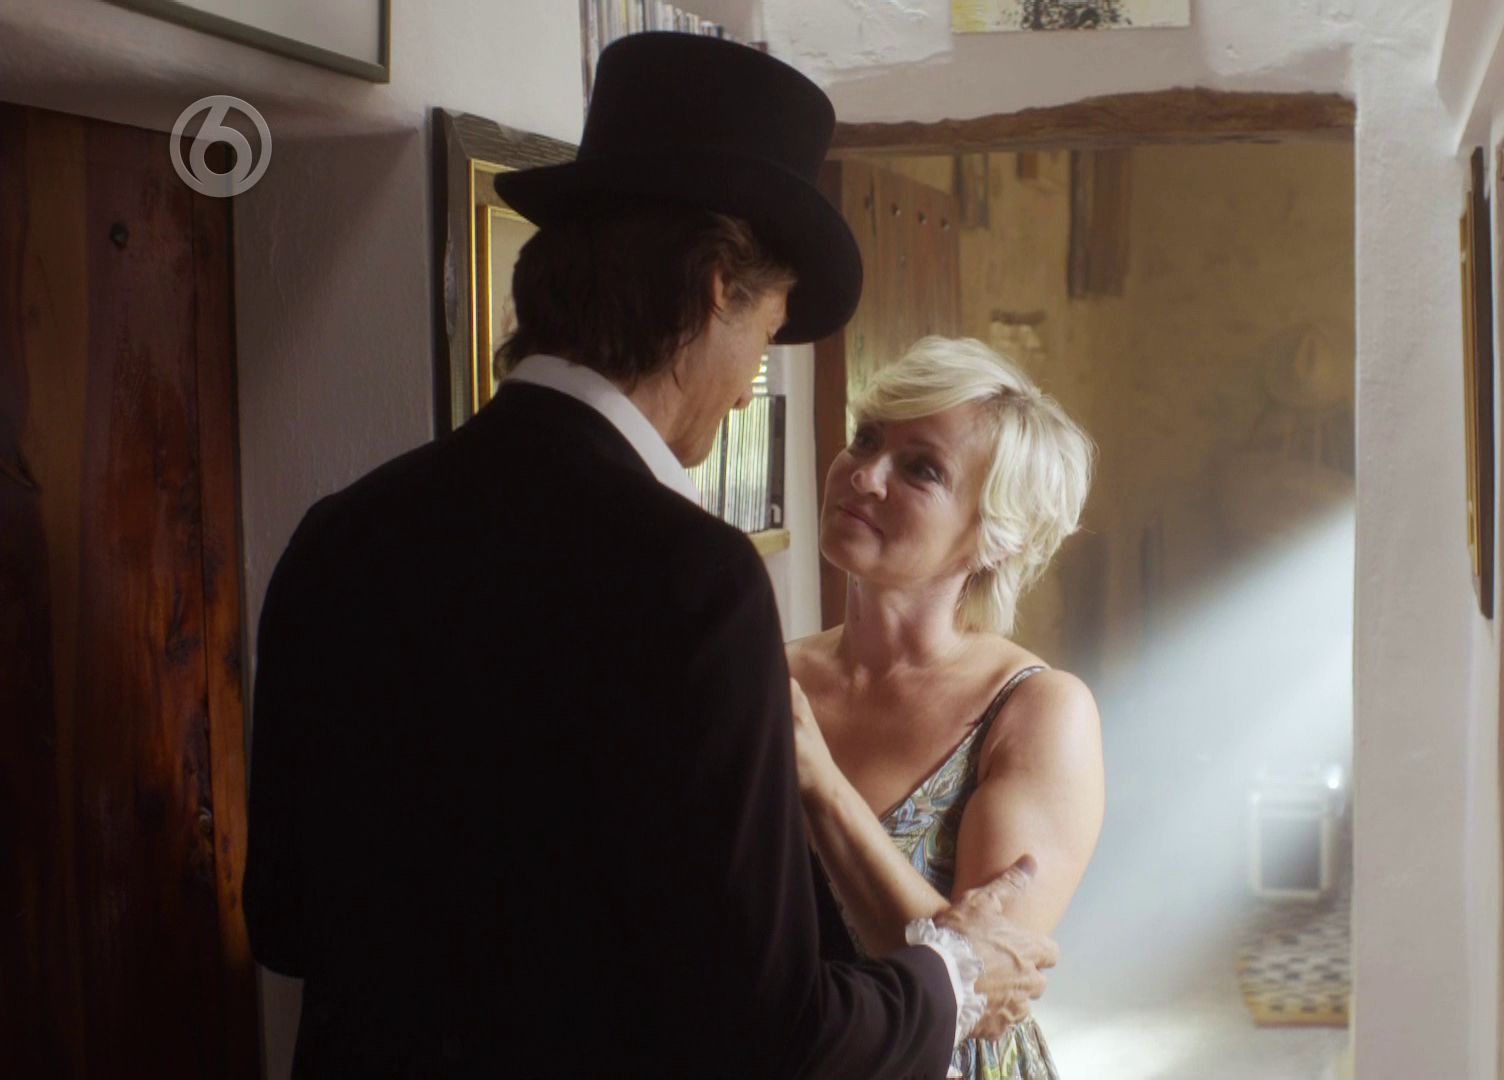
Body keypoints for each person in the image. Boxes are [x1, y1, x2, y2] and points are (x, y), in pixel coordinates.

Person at [242, 35, 1057, 1079]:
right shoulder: (693, 581)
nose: (753, 378)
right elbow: (769, 1040)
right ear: (718, 289)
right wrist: (955, 972)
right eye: (768, 327)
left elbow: (287, 923)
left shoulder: (343, 530)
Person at [787, 337, 1104, 1080]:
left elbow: (979, 998)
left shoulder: (1035, 713)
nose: (863, 474)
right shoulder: (770, 674)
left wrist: (820, 785)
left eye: (921, 468)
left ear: (995, 538)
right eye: (866, 438)